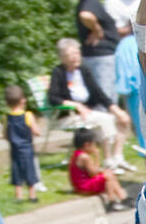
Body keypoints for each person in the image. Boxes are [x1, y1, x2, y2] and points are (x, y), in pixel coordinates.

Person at [48, 38, 133, 172]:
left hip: (87, 113)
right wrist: (76, 105)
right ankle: (108, 161)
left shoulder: (84, 70)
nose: (76, 57)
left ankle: (117, 157)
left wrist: (116, 110)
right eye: (71, 54)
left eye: (77, 53)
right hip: (68, 115)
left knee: (121, 118)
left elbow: (98, 93)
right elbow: (53, 98)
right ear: (62, 57)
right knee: (105, 119)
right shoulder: (58, 72)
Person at [75, 0, 120, 102]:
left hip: (97, 57)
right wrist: (97, 30)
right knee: (105, 96)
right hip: (101, 58)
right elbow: (85, 15)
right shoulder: (91, 1)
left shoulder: (87, 1)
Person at [68, 126, 129, 210]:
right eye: (94, 144)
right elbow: (93, 173)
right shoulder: (84, 157)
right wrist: (97, 156)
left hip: (83, 184)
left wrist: (103, 171)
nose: (95, 146)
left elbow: (94, 170)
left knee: (108, 173)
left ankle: (123, 198)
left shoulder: (78, 154)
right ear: (87, 144)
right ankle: (112, 201)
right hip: (82, 186)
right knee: (108, 176)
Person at [4, 85, 40, 202]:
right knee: (30, 169)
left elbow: (5, 134)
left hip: (14, 149)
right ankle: (32, 195)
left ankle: (19, 196)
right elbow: (35, 131)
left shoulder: (8, 117)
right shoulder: (28, 115)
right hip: (27, 148)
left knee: (16, 170)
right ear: (22, 100)